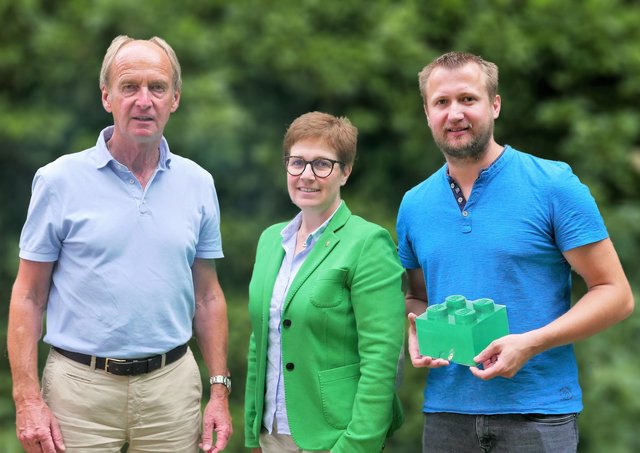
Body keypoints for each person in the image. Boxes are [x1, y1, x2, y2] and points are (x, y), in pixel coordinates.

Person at [397, 51, 634, 452]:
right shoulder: (413, 205)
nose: (454, 113)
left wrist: (532, 342)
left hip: (537, 415)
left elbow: (615, 294)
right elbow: (419, 296)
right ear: (427, 112)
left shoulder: (553, 185)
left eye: (468, 99)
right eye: (442, 102)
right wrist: (417, 328)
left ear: (495, 104)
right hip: (445, 417)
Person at [8, 35, 232, 453]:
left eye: (157, 87)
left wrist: (218, 392)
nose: (144, 100)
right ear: (106, 96)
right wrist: (27, 400)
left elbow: (207, 296)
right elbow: (28, 294)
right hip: (78, 392)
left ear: (175, 99)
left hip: (172, 390)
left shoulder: (198, 183)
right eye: (130, 87)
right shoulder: (58, 180)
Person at [244, 111, 405, 453]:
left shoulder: (368, 243)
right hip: (271, 435)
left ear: (345, 171)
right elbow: (261, 341)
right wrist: (252, 432)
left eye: (322, 164)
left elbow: (381, 358)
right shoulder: (271, 240)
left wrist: (357, 445)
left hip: (334, 437)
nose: (307, 175)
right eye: (297, 162)